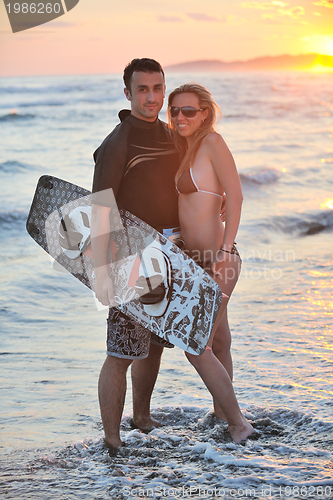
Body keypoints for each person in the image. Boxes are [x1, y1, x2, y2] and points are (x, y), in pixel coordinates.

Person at [91, 58, 239, 452]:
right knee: (121, 351)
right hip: (132, 257)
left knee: (155, 343)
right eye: (143, 89)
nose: (153, 97)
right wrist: (105, 271)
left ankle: (141, 416)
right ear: (128, 93)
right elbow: (100, 207)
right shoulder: (117, 142)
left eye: (158, 88)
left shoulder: (172, 135)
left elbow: (194, 179)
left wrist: (218, 201)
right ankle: (112, 439)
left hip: (174, 255)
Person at [167, 83, 254, 442]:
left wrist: (225, 250)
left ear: (204, 112)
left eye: (189, 110)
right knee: (218, 342)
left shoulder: (213, 142)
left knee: (195, 345)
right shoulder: (186, 148)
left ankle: (239, 423)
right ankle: (222, 415)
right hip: (196, 261)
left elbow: (235, 194)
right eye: (175, 111)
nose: (181, 117)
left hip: (219, 259)